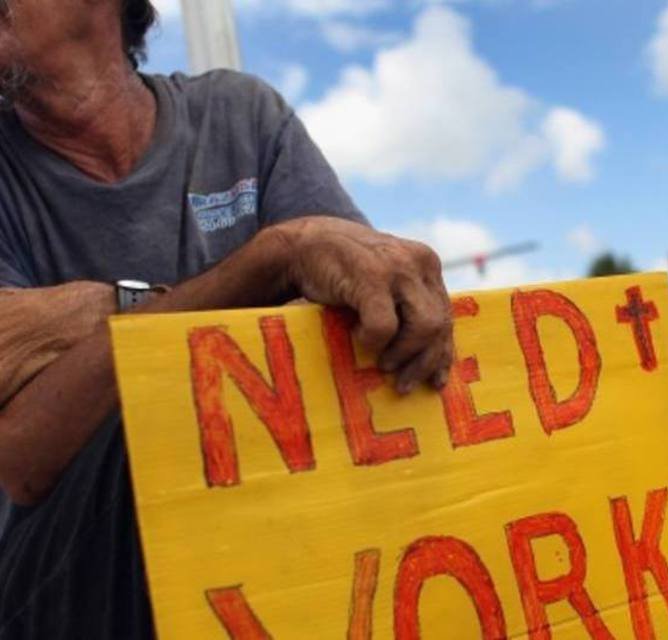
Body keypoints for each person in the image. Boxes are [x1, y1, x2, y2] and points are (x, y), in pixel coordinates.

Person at [0, 0, 454, 637]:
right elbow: (25, 458)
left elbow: (365, 335)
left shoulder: (243, 116)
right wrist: (273, 258)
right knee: (144, 439)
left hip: (276, 545)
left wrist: (98, 320)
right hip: (70, 590)